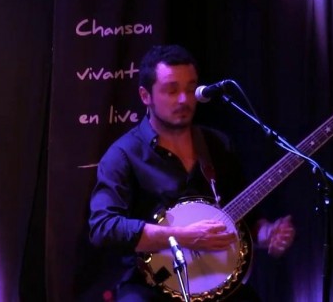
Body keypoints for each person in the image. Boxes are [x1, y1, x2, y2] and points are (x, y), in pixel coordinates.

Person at [88, 44, 295, 301]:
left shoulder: (217, 144)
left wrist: (267, 234)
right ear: (145, 95)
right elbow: (104, 227)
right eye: (172, 90)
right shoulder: (123, 155)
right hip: (150, 284)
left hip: (214, 282)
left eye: (190, 89)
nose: (184, 100)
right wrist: (183, 237)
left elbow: (245, 220)